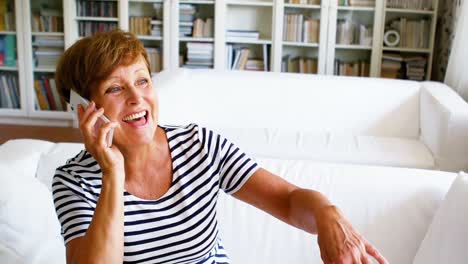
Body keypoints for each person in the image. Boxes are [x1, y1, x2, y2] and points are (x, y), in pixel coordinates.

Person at [52, 29, 388, 264]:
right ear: (83, 108)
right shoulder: (73, 181)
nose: (137, 97)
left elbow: (287, 201)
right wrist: (112, 173)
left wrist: (327, 215)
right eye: (115, 88)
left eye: (142, 80)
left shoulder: (198, 145)